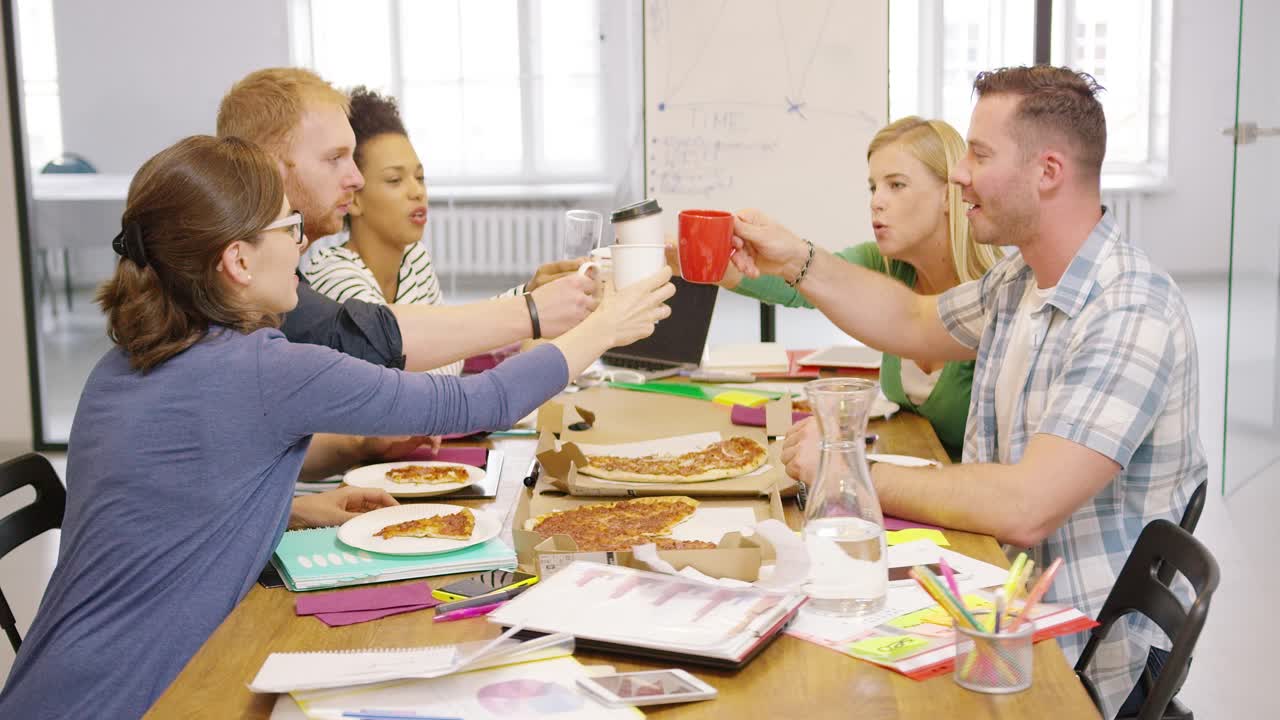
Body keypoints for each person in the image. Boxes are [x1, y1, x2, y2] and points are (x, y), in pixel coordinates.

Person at [0, 136, 673, 719]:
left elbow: (166, 497)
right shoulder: (265, 370)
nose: (302, 244)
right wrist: (603, 327)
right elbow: (481, 402)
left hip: (50, 688)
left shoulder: (121, 364)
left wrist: (291, 508)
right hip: (138, 699)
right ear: (238, 261)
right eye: (290, 228)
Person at [740, 67, 1203, 718]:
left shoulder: (1129, 309)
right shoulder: (1020, 280)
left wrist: (849, 472)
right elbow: (911, 321)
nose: (960, 175)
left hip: (1082, 654)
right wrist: (795, 259)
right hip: (1001, 605)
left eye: (979, 155)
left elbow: (1026, 506)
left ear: (1047, 172)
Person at [218, 67, 594, 478]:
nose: (355, 179)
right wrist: (548, 315)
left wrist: (311, 498)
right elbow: (380, 347)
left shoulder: (291, 280)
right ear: (270, 169)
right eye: (335, 159)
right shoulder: (277, 290)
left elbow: (259, 449)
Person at [720, 116, 1000, 458]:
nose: (876, 201)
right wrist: (706, 259)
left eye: (896, 185)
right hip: (903, 471)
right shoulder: (885, 265)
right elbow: (799, 283)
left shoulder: (995, 295)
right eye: (873, 187)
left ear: (948, 194)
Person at [300, 86, 544, 375]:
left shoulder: (413, 258)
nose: (417, 192)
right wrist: (527, 314)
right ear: (353, 197)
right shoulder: (336, 276)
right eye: (394, 180)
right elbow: (418, 378)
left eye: (420, 177)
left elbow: (451, 332)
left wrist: (531, 293)